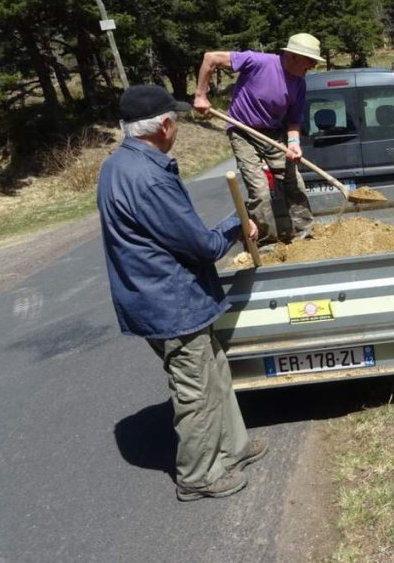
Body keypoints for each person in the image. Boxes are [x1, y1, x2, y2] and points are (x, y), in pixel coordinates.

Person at [97, 84, 267, 502]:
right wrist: (236, 224)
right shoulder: (148, 178)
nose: (178, 129)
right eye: (176, 122)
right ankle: (198, 475)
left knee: (215, 373)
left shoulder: (117, 165)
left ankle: (233, 447)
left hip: (168, 295)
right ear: (165, 125)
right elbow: (202, 246)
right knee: (195, 390)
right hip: (169, 301)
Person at [194, 33, 326, 245]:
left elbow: (293, 121)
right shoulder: (258, 62)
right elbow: (211, 58)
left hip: (272, 133)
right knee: (260, 191)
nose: (311, 66)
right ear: (293, 56)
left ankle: (305, 235)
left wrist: (294, 145)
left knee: (295, 182)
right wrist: (201, 95)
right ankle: (267, 242)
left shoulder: (299, 84)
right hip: (242, 131)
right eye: (310, 61)